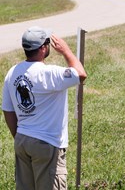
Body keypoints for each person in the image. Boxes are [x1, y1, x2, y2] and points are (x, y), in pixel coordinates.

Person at [2, 26, 87, 190]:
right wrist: (66, 51)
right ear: (43, 48)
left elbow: (8, 110)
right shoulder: (50, 73)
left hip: (22, 140)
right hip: (47, 144)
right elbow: (80, 74)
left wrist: (20, 135)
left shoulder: (12, 73)